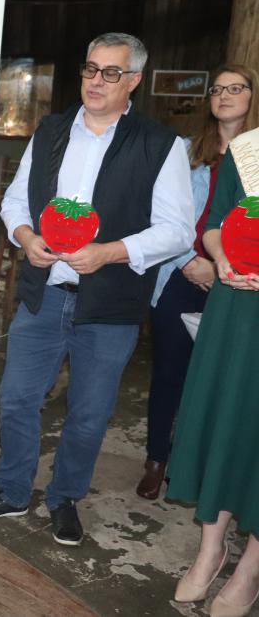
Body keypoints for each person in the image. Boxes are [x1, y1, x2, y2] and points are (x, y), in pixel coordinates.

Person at [0, 32, 195, 546]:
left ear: (133, 81)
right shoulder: (52, 130)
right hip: (45, 293)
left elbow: (178, 230)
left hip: (110, 304)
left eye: (111, 72)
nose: (96, 81)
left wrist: (109, 252)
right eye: (91, 69)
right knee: (16, 399)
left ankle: (64, 498)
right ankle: (12, 491)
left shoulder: (161, 145)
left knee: (88, 415)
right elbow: (14, 201)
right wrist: (26, 237)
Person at [136, 64, 258, 500]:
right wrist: (191, 260)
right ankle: (156, 458)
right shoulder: (186, 151)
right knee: (170, 370)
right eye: (217, 89)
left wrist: (222, 266)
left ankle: (198, 466)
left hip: (239, 282)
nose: (224, 95)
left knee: (216, 378)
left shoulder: (256, 157)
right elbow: (161, 213)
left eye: (235, 88)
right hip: (182, 271)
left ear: (253, 96)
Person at [167, 132, 259, 616]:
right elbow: (215, 224)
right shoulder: (248, 149)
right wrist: (223, 259)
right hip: (234, 304)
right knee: (222, 416)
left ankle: (250, 570)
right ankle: (210, 550)